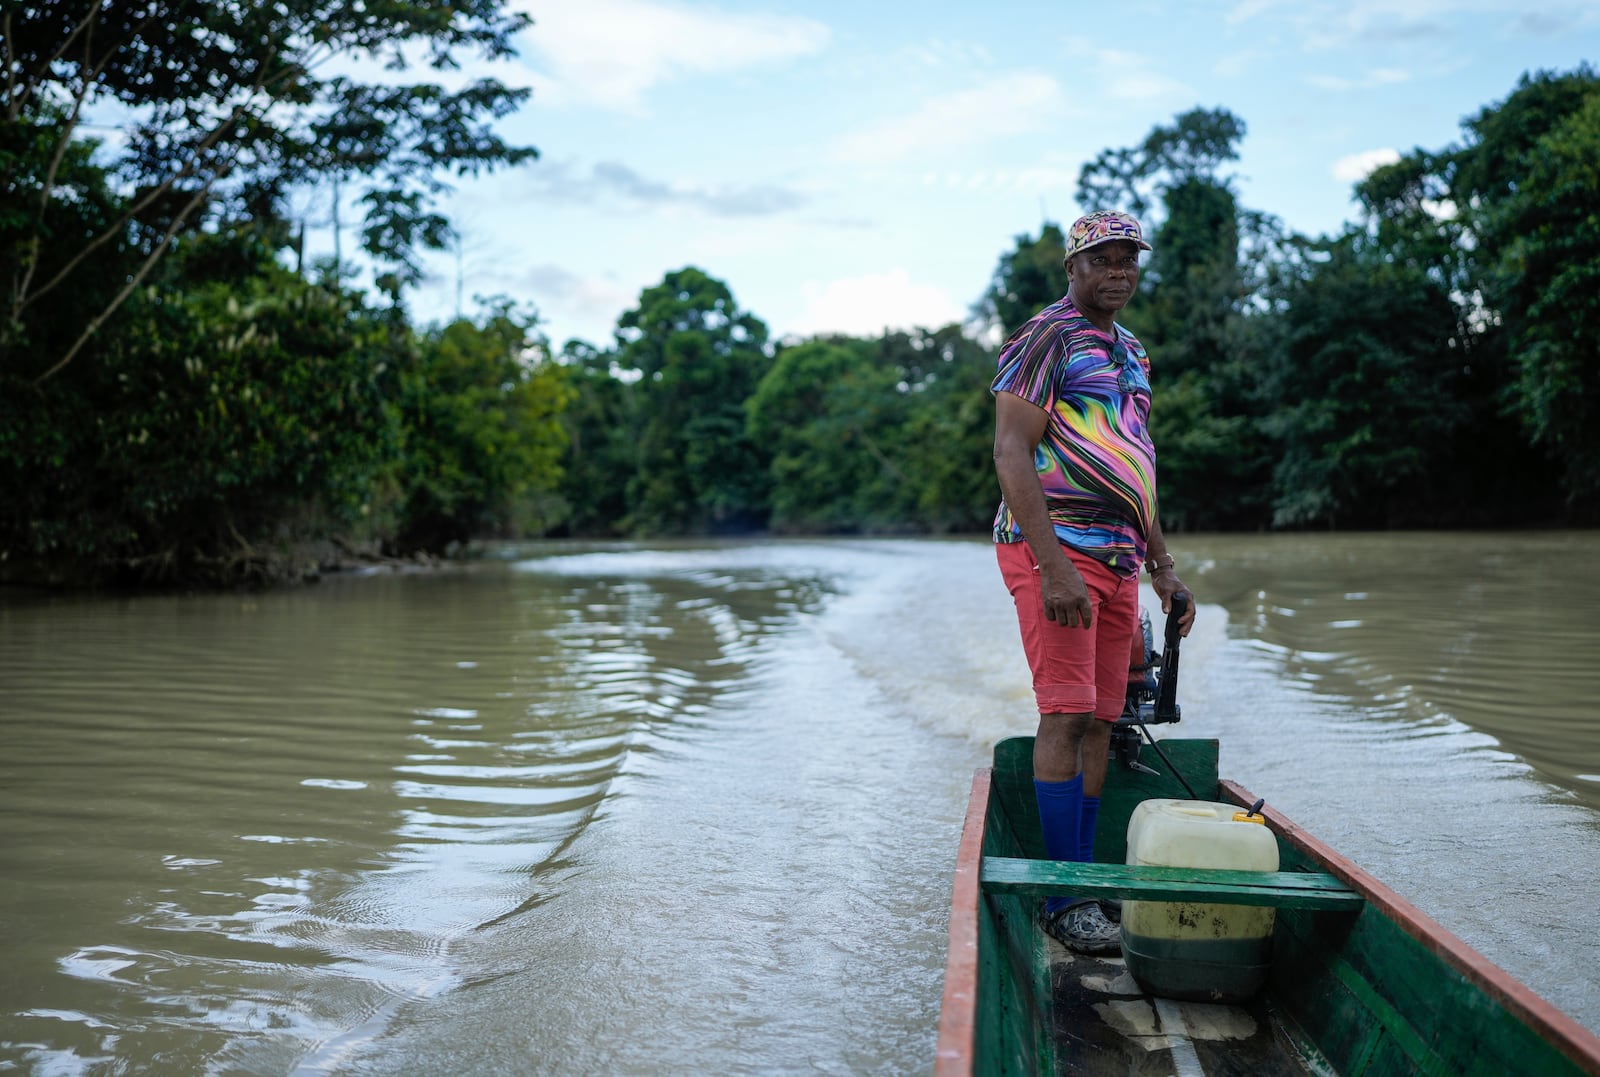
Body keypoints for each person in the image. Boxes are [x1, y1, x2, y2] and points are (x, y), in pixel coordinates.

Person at [991, 209, 1195, 953]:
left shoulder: (1133, 350)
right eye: (1102, 260)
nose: (1118, 272)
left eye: (1127, 260)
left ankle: (1082, 880)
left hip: (1117, 557)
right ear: (1073, 268)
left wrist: (1164, 569)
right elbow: (1012, 451)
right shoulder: (1045, 336)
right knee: (1067, 714)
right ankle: (1062, 892)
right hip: (1057, 551)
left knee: (1105, 720)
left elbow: (1136, 463)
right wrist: (1051, 567)